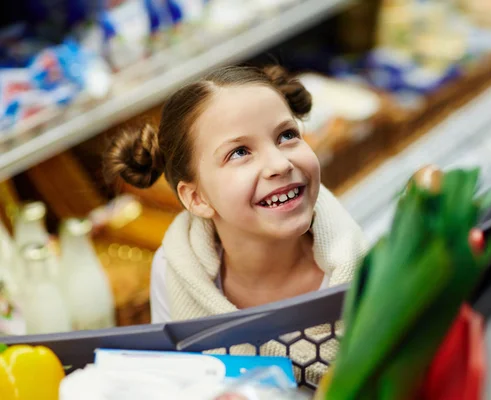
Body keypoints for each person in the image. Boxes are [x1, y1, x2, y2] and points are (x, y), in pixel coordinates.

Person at [103, 65, 368, 374]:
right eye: (240, 152)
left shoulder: (362, 269)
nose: (279, 164)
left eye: (287, 135)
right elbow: (176, 380)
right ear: (197, 198)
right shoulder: (175, 271)